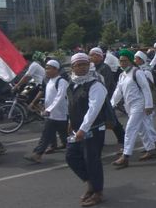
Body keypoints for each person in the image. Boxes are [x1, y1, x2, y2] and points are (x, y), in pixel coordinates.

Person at [65, 53, 107, 206]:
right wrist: (71, 122)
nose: (82, 67)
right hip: (78, 129)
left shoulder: (95, 84)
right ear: (73, 67)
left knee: (92, 160)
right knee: (71, 156)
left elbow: (94, 109)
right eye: (78, 65)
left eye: (84, 64)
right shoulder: (72, 84)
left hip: (93, 129)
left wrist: (83, 128)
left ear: (89, 65)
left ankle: (97, 192)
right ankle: (90, 183)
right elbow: (72, 105)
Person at [111, 49, 156, 169]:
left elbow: (146, 89)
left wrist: (148, 105)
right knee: (141, 128)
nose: (122, 63)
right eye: (121, 61)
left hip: (139, 105)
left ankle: (125, 156)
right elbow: (118, 92)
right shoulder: (122, 75)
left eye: (125, 61)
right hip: (129, 105)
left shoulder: (137, 72)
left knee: (130, 129)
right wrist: (111, 105)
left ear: (131, 61)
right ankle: (151, 148)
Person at [24, 60, 68, 163]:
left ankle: (79, 152)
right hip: (51, 115)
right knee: (46, 135)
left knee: (67, 137)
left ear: (56, 69)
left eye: (49, 68)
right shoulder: (49, 81)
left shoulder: (61, 81)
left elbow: (59, 97)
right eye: (46, 68)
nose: (46, 70)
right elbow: (48, 97)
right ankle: (37, 155)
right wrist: (44, 108)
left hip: (62, 115)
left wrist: (49, 109)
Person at [89, 47, 125, 153]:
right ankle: (99, 141)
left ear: (99, 56)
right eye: (90, 55)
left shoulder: (104, 68)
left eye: (93, 55)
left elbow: (106, 84)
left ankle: (122, 138)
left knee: (111, 120)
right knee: (102, 120)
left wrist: (103, 98)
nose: (91, 57)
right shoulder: (92, 68)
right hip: (97, 98)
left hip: (106, 97)